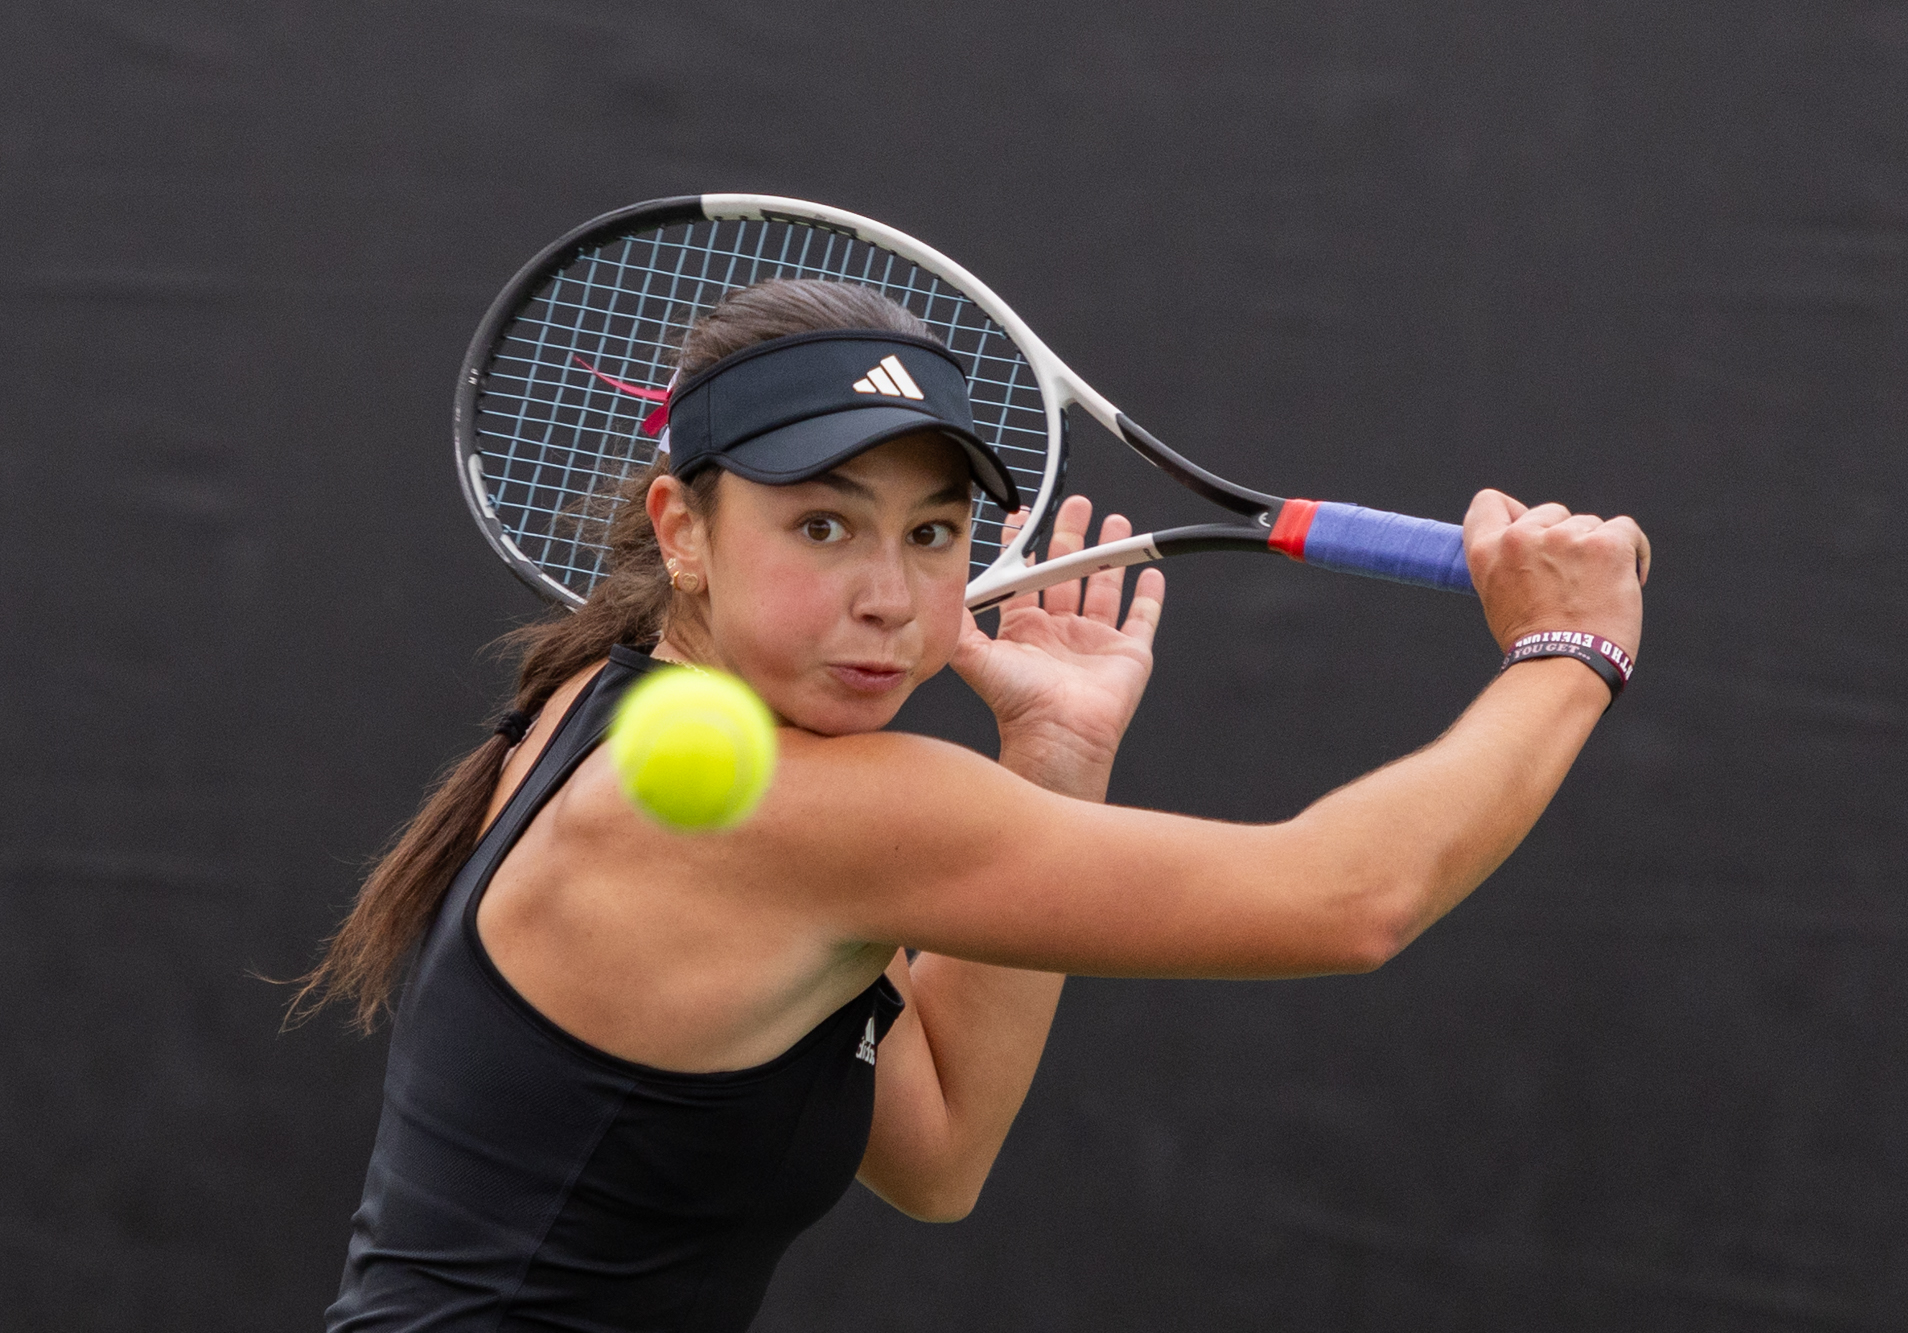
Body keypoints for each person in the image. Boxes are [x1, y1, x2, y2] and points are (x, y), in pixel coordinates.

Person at [299, 278, 1648, 1332]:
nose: (892, 595)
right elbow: (1351, 898)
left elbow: (936, 1149)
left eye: (933, 532)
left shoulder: (614, 702)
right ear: (681, 529)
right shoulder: (791, 810)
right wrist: (1568, 654)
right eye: (824, 526)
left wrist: (1051, 760)